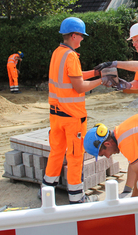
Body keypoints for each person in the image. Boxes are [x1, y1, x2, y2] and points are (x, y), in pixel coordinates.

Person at [40, 17, 117, 204]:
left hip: (56, 115)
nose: (82, 39)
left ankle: (46, 192)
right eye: (81, 36)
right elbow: (80, 86)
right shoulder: (71, 56)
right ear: (74, 35)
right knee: (75, 155)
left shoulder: (58, 53)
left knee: (56, 152)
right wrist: (103, 80)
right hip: (72, 117)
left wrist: (96, 72)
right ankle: (76, 198)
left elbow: (73, 76)